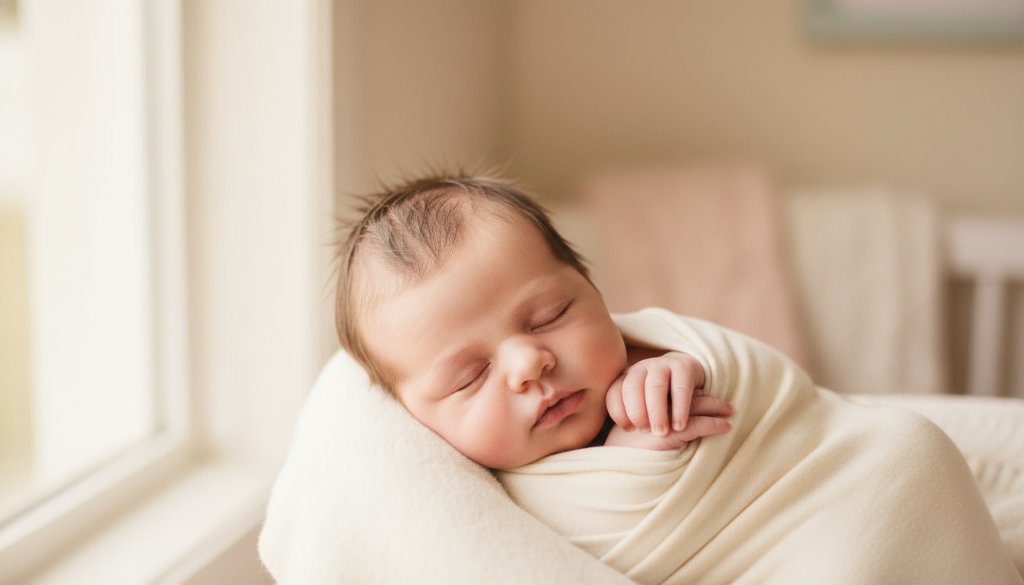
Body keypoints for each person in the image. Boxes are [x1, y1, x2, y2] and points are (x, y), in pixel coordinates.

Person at [334, 172, 734, 469]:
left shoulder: (652, 363)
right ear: (414, 417)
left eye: (549, 316)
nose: (527, 363)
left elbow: (737, 373)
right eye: (470, 376)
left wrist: (677, 369)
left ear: (591, 286)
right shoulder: (478, 498)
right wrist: (623, 469)